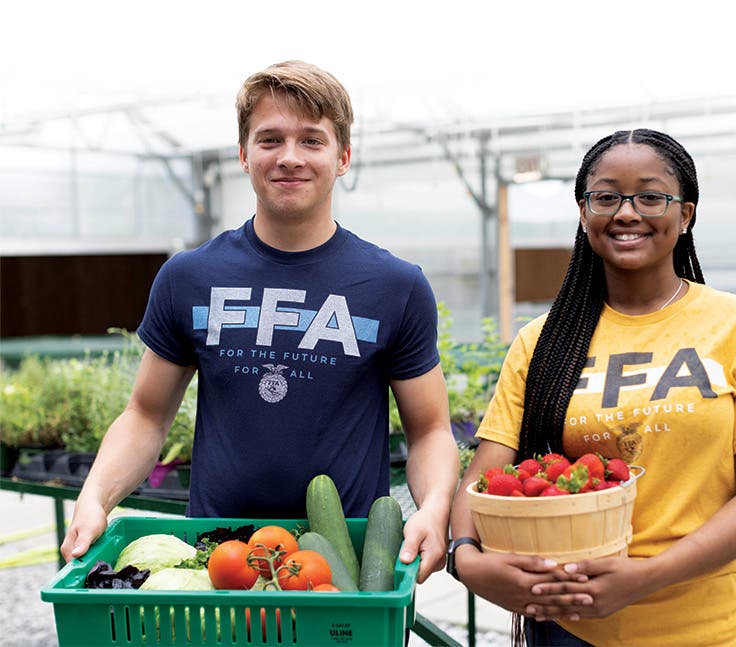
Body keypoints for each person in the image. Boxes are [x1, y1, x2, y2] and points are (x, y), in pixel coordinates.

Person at [61, 60, 460, 583]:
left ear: (342, 158)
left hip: (347, 564)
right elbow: (145, 415)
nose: (289, 158)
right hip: (217, 559)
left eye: (312, 141)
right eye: (270, 139)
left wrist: (433, 509)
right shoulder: (189, 276)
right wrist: (95, 498)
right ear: (243, 154)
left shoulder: (395, 285)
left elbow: (429, 429)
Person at [448, 129, 736, 646]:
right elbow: (484, 474)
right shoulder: (544, 341)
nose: (626, 212)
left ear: (685, 213)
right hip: (566, 622)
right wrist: (464, 558)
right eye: (606, 196)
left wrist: (646, 576)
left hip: (701, 629)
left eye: (650, 196)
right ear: (584, 213)